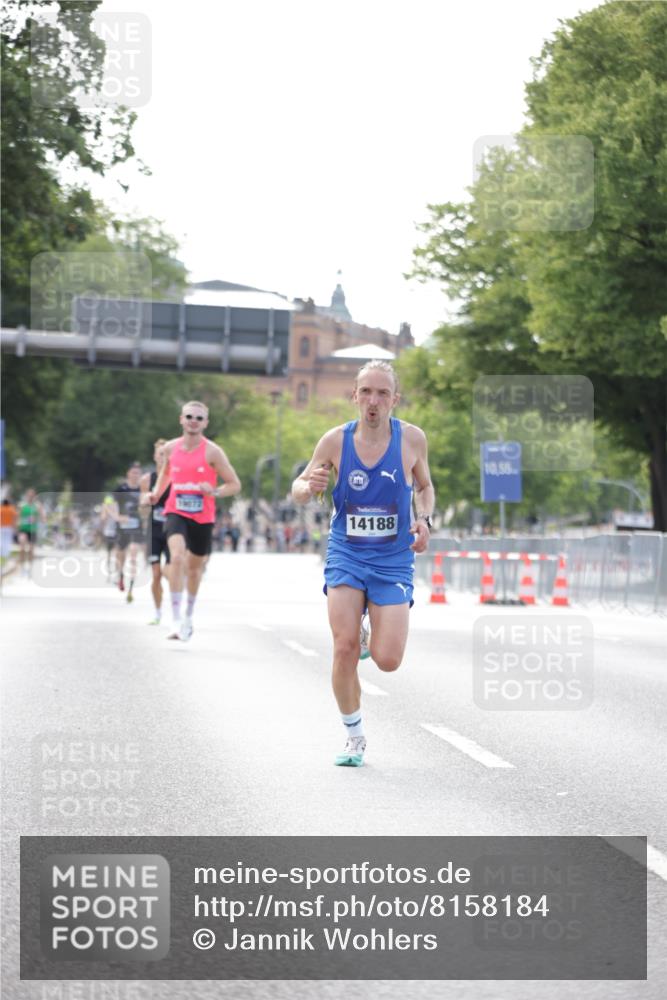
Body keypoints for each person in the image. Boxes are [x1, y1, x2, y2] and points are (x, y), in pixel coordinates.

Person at [292, 360, 434, 768]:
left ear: (394, 399)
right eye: (366, 392)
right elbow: (299, 487)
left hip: (393, 558)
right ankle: (354, 735)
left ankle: (372, 636)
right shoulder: (335, 441)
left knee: (388, 660)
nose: (373, 401)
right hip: (347, 553)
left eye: (382, 393)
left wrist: (424, 520)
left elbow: (425, 486)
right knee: (344, 647)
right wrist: (308, 486)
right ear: (354, 396)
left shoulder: (411, 439)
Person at [147, 401, 241, 641]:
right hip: (175, 511)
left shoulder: (213, 452)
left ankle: (188, 614)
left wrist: (215, 491)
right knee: (177, 558)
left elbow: (234, 484)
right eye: (189, 416)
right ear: (181, 419)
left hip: (202, 516)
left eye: (199, 418)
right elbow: (166, 474)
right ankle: (175, 619)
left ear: (205, 423)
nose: (193, 421)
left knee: (194, 568)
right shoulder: (170, 448)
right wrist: (156, 493)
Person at [140, 439, 172, 625]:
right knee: (156, 574)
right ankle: (158, 612)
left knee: (170, 572)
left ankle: (176, 602)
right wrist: (145, 502)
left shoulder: (175, 478)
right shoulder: (147, 480)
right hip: (154, 530)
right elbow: (142, 509)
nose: (163, 457)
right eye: (160, 454)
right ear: (154, 456)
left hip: (172, 530)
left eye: (166, 454)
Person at [114, 464, 143, 602]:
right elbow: (111, 503)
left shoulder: (143, 489)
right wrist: (117, 516)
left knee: (133, 552)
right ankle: (121, 576)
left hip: (137, 526)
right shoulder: (121, 489)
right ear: (128, 474)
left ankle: (131, 584)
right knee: (121, 555)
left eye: (138, 473)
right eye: (133, 473)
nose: (135, 475)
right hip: (122, 526)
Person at [18, 488, 43, 575]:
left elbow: (42, 517)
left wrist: (36, 518)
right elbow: (17, 517)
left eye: (32, 496)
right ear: (26, 496)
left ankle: (30, 568)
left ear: (34, 496)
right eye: (29, 495)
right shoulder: (22, 505)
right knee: (22, 548)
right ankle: (22, 568)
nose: (30, 497)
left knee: (31, 550)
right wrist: (17, 525)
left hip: (33, 530)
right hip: (23, 529)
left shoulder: (37, 506)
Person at [1, 497, 18, 563]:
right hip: (9, 527)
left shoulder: (1, 509)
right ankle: (6, 554)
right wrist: (15, 526)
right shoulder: (11, 509)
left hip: (2, 526)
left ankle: (1, 553)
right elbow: (15, 517)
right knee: (8, 541)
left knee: (2, 540)